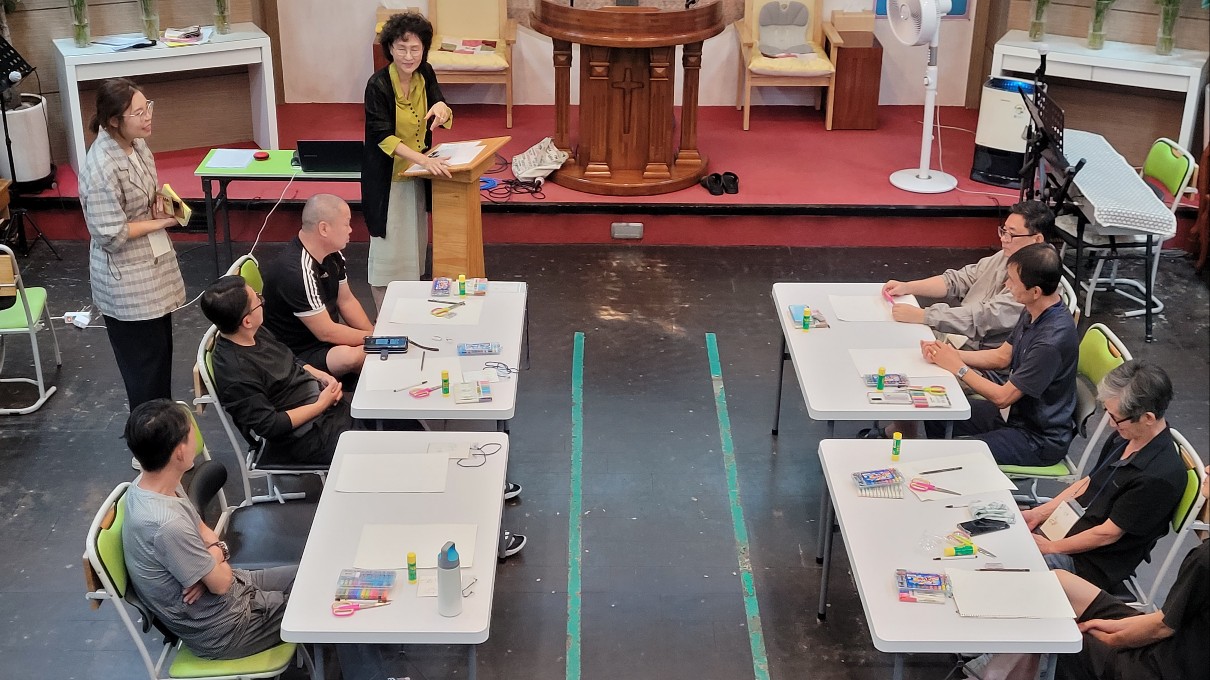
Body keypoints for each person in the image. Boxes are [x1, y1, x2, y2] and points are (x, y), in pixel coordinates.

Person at [965, 466, 1208, 680]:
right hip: (1170, 638)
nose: (1206, 469)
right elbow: (1165, 620)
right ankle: (995, 666)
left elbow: (1161, 628)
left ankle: (992, 672)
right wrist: (1117, 625)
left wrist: (1113, 638)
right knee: (1055, 583)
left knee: (1055, 626)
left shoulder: (1204, 558)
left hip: (1160, 665)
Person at [121, 399, 297, 660]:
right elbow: (221, 583)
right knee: (320, 603)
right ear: (180, 452)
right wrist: (210, 570)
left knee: (314, 577)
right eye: (190, 430)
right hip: (229, 628)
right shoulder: (166, 525)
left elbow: (205, 533)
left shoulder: (153, 484)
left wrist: (209, 563)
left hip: (236, 589)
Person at [1022, 361, 1187, 591]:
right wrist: (1038, 513)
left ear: (1148, 418)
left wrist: (1050, 548)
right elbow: (1089, 482)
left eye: (1117, 418)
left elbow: (1107, 534)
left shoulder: (1158, 477)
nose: (1111, 424)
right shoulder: (1125, 437)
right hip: (1067, 531)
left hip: (1089, 563)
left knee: (1010, 571)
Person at [918, 243, 1078, 466]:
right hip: (1014, 416)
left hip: (1036, 437)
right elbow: (1002, 356)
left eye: (1012, 281)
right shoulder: (1033, 309)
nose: (1006, 285)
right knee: (937, 415)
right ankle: (938, 468)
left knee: (954, 454)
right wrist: (949, 354)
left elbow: (1003, 398)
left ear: (1035, 292)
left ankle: (947, 469)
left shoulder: (1050, 342)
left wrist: (958, 367)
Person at [77, 78, 184, 410]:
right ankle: (148, 436)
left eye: (147, 107)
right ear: (113, 120)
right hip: (127, 280)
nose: (147, 116)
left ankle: (163, 428)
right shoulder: (101, 167)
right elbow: (110, 233)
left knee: (160, 355)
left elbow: (143, 195)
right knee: (144, 369)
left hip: (152, 268)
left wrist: (159, 204)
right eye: (138, 113)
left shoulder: (136, 144)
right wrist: (162, 222)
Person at [201, 275, 351, 466]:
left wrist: (320, 375)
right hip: (307, 438)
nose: (262, 300)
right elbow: (271, 425)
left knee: (379, 421)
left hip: (323, 410)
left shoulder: (254, 332)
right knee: (376, 447)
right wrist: (321, 405)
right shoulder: (237, 374)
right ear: (247, 321)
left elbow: (290, 358)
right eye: (258, 300)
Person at [362, 11, 454, 311]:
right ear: (390, 48)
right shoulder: (378, 85)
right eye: (401, 48)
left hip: (416, 177)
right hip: (388, 179)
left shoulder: (425, 73)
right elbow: (382, 137)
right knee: (387, 255)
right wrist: (423, 161)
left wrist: (441, 108)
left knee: (412, 251)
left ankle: (408, 311)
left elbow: (440, 103)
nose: (409, 56)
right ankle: (383, 319)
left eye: (415, 48)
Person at [882, 201, 1050, 351]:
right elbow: (958, 279)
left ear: (1037, 239)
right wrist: (908, 287)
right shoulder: (1010, 254)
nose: (1004, 239)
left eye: (1012, 234)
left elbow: (983, 318)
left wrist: (923, 316)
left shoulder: (1036, 280)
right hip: (956, 333)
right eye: (1003, 231)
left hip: (975, 350)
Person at [261, 194, 373, 378]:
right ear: (324, 228)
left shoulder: (333, 254)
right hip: (295, 353)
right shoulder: (296, 272)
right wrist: (375, 340)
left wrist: (373, 333)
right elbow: (326, 332)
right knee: (356, 356)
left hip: (324, 339)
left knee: (376, 348)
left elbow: (346, 301)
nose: (351, 230)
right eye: (346, 224)